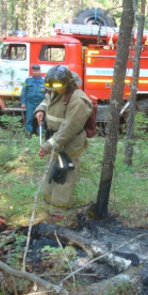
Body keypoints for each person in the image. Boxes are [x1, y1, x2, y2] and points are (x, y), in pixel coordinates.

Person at [34, 65, 93, 228]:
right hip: (55, 141)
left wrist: (47, 145)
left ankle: (58, 215)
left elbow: (68, 128)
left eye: (57, 87)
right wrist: (41, 109)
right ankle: (50, 206)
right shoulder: (57, 88)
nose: (54, 90)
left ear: (68, 83)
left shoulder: (78, 100)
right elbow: (48, 99)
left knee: (64, 176)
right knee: (53, 171)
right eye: (51, 88)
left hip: (69, 143)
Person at [20, 64, 46, 135]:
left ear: (40, 71)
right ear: (32, 71)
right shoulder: (28, 80)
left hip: (41, 104)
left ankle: (39, 134)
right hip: (30, 103)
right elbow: (23, 92)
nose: (36, 72)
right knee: (29, 119)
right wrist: (23, 103)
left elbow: (48, 93)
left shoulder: (45, 81)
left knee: (41, 119)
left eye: (37, 71)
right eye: (34, 71)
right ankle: (28, 134)